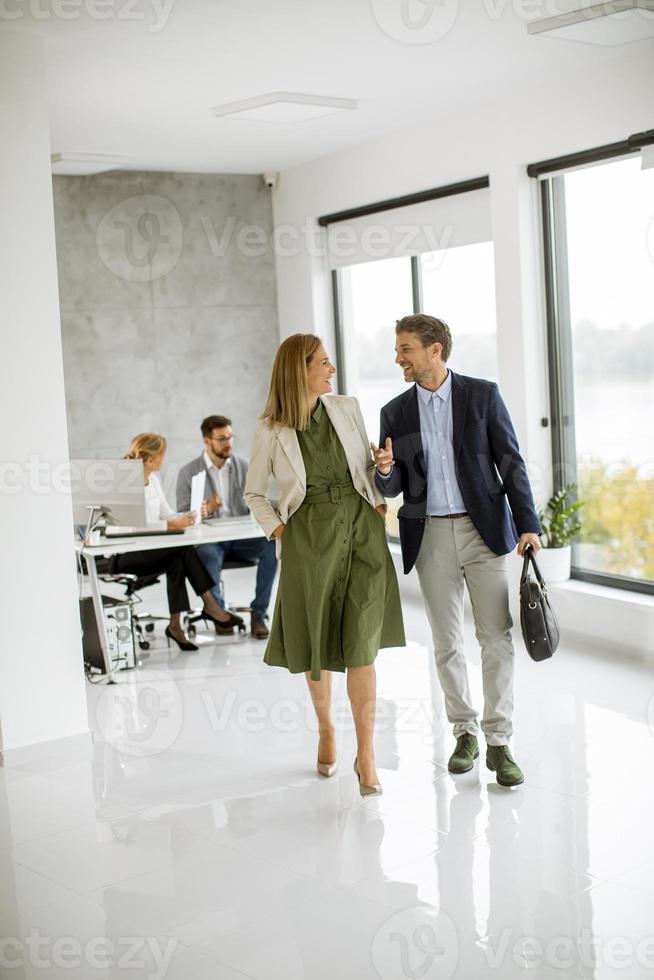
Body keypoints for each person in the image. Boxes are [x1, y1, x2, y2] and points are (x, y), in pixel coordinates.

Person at [373, 315, 541, 788]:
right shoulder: (394, 411)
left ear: (435, 350)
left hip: (482, 531)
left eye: (406, 349)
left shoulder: (482, 395)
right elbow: (394, 486)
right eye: (398, 348)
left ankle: (499, 740)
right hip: (429, 537)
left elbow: (511, 462)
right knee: (446, 643)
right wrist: (385, 471)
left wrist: (528, 524)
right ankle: (464, 732)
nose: (398, 358)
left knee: (495, 638)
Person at [244, 335, 405, 796]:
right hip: (309, 539)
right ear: (300, 369)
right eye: (323, 363)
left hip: (362, 530)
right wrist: (280, 532)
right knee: (317, 641)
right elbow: (255, 493)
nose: (331, 370)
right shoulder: (270, 429)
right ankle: (326, 730)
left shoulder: (347, 407)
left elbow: (367, 473)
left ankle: (367, 753)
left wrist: (383, 471)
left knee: (361, 642)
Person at [110, 433, 245, 651]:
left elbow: (166, 513)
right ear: (152, 458)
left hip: (152, 551)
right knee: (182, 551)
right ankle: (211, 606)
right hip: (126, 556)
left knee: (179, 558)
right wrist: (168, 526)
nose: (164, 459)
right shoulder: (125, 483)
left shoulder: (152, 479)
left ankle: (176, 625)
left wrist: (187, 516)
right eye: (162, 455)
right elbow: (125, 527)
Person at [176, 415, 278, 639]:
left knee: (272, 545)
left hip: (242, 539)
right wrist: (203, 511)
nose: (228, 443)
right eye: (221, 438)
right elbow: (182, 515)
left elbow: (259, 501)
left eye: (230, 437)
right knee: (207, 555)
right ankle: (220, 614)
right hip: (210, 540)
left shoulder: (244, 467)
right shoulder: (188, 472)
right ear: (207, 441)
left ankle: (259, 613)